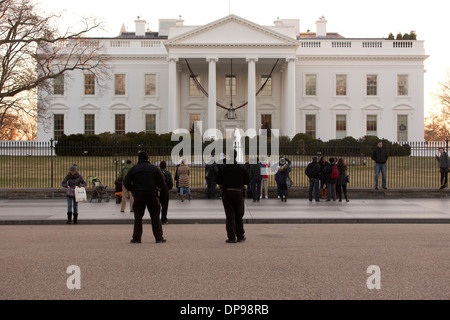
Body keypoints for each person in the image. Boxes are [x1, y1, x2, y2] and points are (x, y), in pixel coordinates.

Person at [123, 151, 166, 244]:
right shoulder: (154, 168)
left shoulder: (133, 169)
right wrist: (157, 188)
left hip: (138, 195)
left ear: (138, 158)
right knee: (155, 217)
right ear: (147, 158)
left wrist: (133, 190)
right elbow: (162, 182)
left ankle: (136, 238)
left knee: (138, 218)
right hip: (152, 195)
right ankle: (158, 237)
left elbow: (126, 182)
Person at [216, 150, 251, 243]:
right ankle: (240, 236)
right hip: (238, 192)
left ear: (228, 156)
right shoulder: (241, 167)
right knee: (239, 215)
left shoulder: (223, 167)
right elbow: (247, 180)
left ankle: (231, 237)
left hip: (227, 193)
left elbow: (218, 180)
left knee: (230, 215)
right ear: (236, 156)